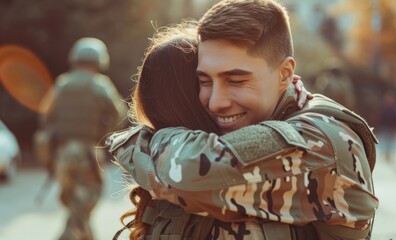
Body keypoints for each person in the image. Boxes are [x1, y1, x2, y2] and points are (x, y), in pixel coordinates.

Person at [109, 0, 378, 239]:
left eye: (236, 80)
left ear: (285, 73)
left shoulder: (319, 138)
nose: (216, 102)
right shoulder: (259, 117)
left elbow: (188, 172)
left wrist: (137, 140)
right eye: (204, 81)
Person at [38, 37, 127, 240]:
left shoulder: (61, 84)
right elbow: (120, 114)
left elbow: (45, 116)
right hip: (88, 153)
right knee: (84, 204)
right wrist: (103, 133)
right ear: (99, 60)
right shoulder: (100, 85)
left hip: (62, 154)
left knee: (76, 205)